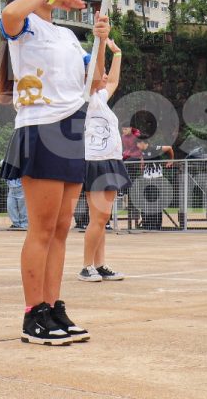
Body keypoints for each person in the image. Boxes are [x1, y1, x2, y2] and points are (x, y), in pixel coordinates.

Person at [0, 0, 109, 346]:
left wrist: (100, 40)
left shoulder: (67, 37)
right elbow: (8, 12)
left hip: (71, 127)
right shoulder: (24, 26)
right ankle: (33, 314)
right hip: (40, 128)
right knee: (41, 229)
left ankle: (54, 306)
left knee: (62, 229)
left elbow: (96, 81)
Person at [78, 38, 128, 283]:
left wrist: (117, 53)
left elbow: (115, 80)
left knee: (102, 218)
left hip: (109, 159)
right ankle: (87, 266)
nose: (105, 76)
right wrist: (99, 44)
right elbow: (96, 76)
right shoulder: (84, 96)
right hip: (95, 160)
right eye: (102, 72)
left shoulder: (99, 98)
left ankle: (100, 264)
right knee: (99, 217)